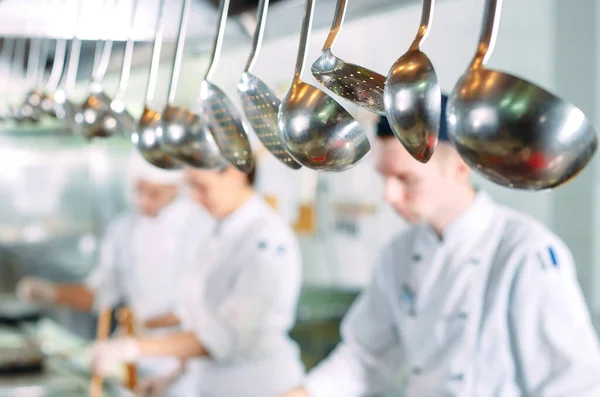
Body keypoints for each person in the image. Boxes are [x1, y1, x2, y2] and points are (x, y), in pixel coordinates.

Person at [279, 95, 600, 397]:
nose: (389, 195)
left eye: (407, 180)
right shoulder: (399, 255)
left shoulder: (524, 253)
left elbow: (574, 385)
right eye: (385, 178)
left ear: (461, 167)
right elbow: (364, 358)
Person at [88, 161, 306, 397]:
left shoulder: (266, 238)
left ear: (236, 173)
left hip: (257, 387)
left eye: (202, 187)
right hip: (212, 385)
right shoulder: (219, 232)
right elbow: (200, 321)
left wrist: (133, 348)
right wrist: (171, 378)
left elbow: (225, 337)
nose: (194, 198)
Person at [16, 150, 214, 396]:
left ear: (175, 188)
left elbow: (208, 317)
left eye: (154, 193)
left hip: (185, 362)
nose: (143, 201)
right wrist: (52, 293)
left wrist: (139, 335)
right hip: (136, 359)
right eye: (138, 191)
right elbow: (102, 293)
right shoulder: (124, 229)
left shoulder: (201, 228)